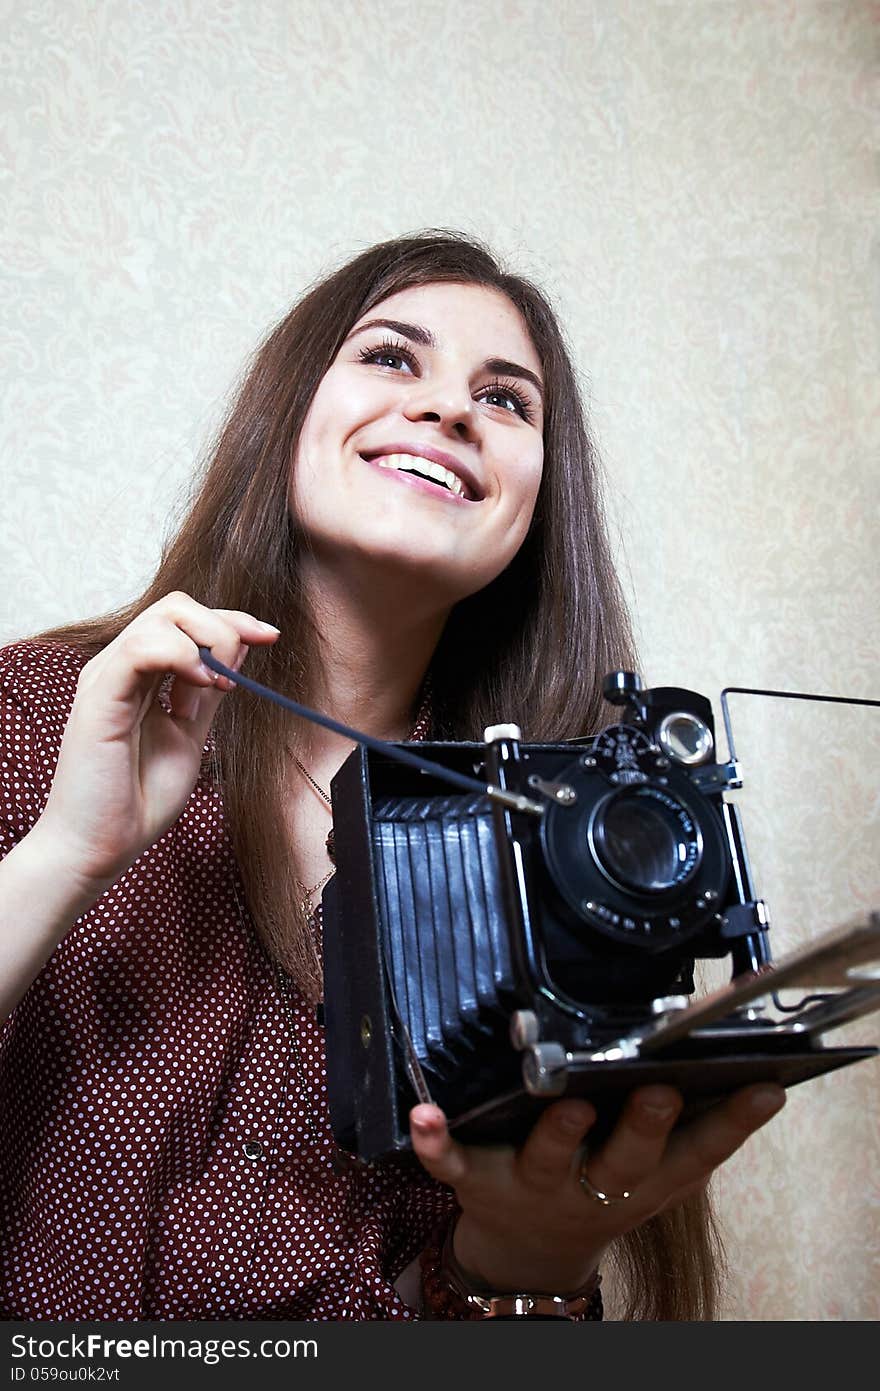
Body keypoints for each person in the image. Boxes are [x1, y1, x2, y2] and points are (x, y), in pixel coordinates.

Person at [0, 230, 785, 1321]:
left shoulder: (574, 852)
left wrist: (522, 1256)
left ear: (537, 501)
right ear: (288, 413)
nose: (451, 410)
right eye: (389, 358)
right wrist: (60, 857)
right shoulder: (35, 711)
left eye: (505, 400)